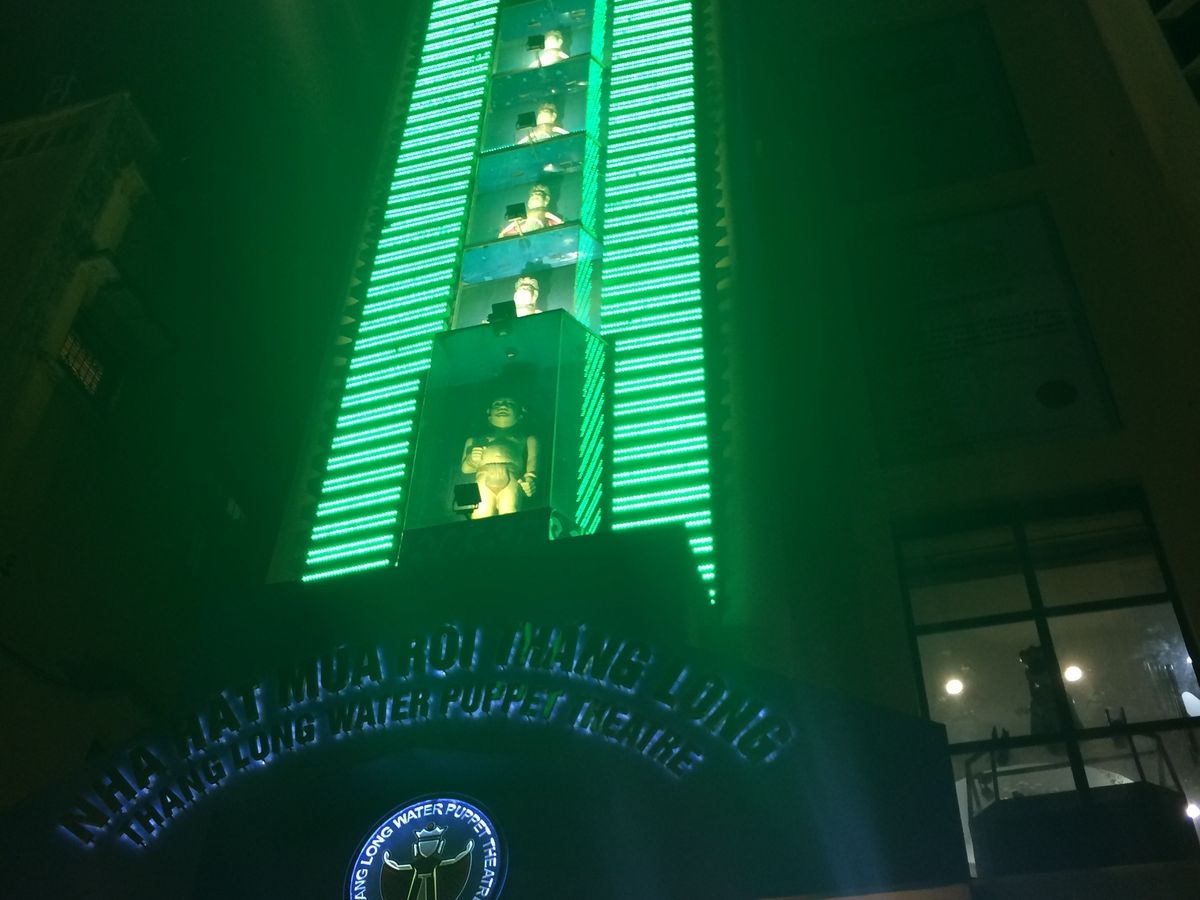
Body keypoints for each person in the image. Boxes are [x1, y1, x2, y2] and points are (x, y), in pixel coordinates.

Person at [461, 396, 538, 518]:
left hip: (512, 477)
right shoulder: (475, 440)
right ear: (489, 413)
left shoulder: (527, 440)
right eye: (497, 404)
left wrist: (530, 479)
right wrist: (472, 459)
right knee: (481, 513)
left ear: (520, 415)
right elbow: (465, 469)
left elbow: (532, 462)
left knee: (510, 511)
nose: (503, 406)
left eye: (510, 403)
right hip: (483, 477)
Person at [498, 184, 564, 238]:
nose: (535, 196)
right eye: (532, 195)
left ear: (546, 200)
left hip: (537, 229)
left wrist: (561, 222)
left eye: (539, 194)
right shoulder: (526, 215)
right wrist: (504, 232)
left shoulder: (544, 213)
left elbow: (550, 216)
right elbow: (515, 222)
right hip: (525, 230)